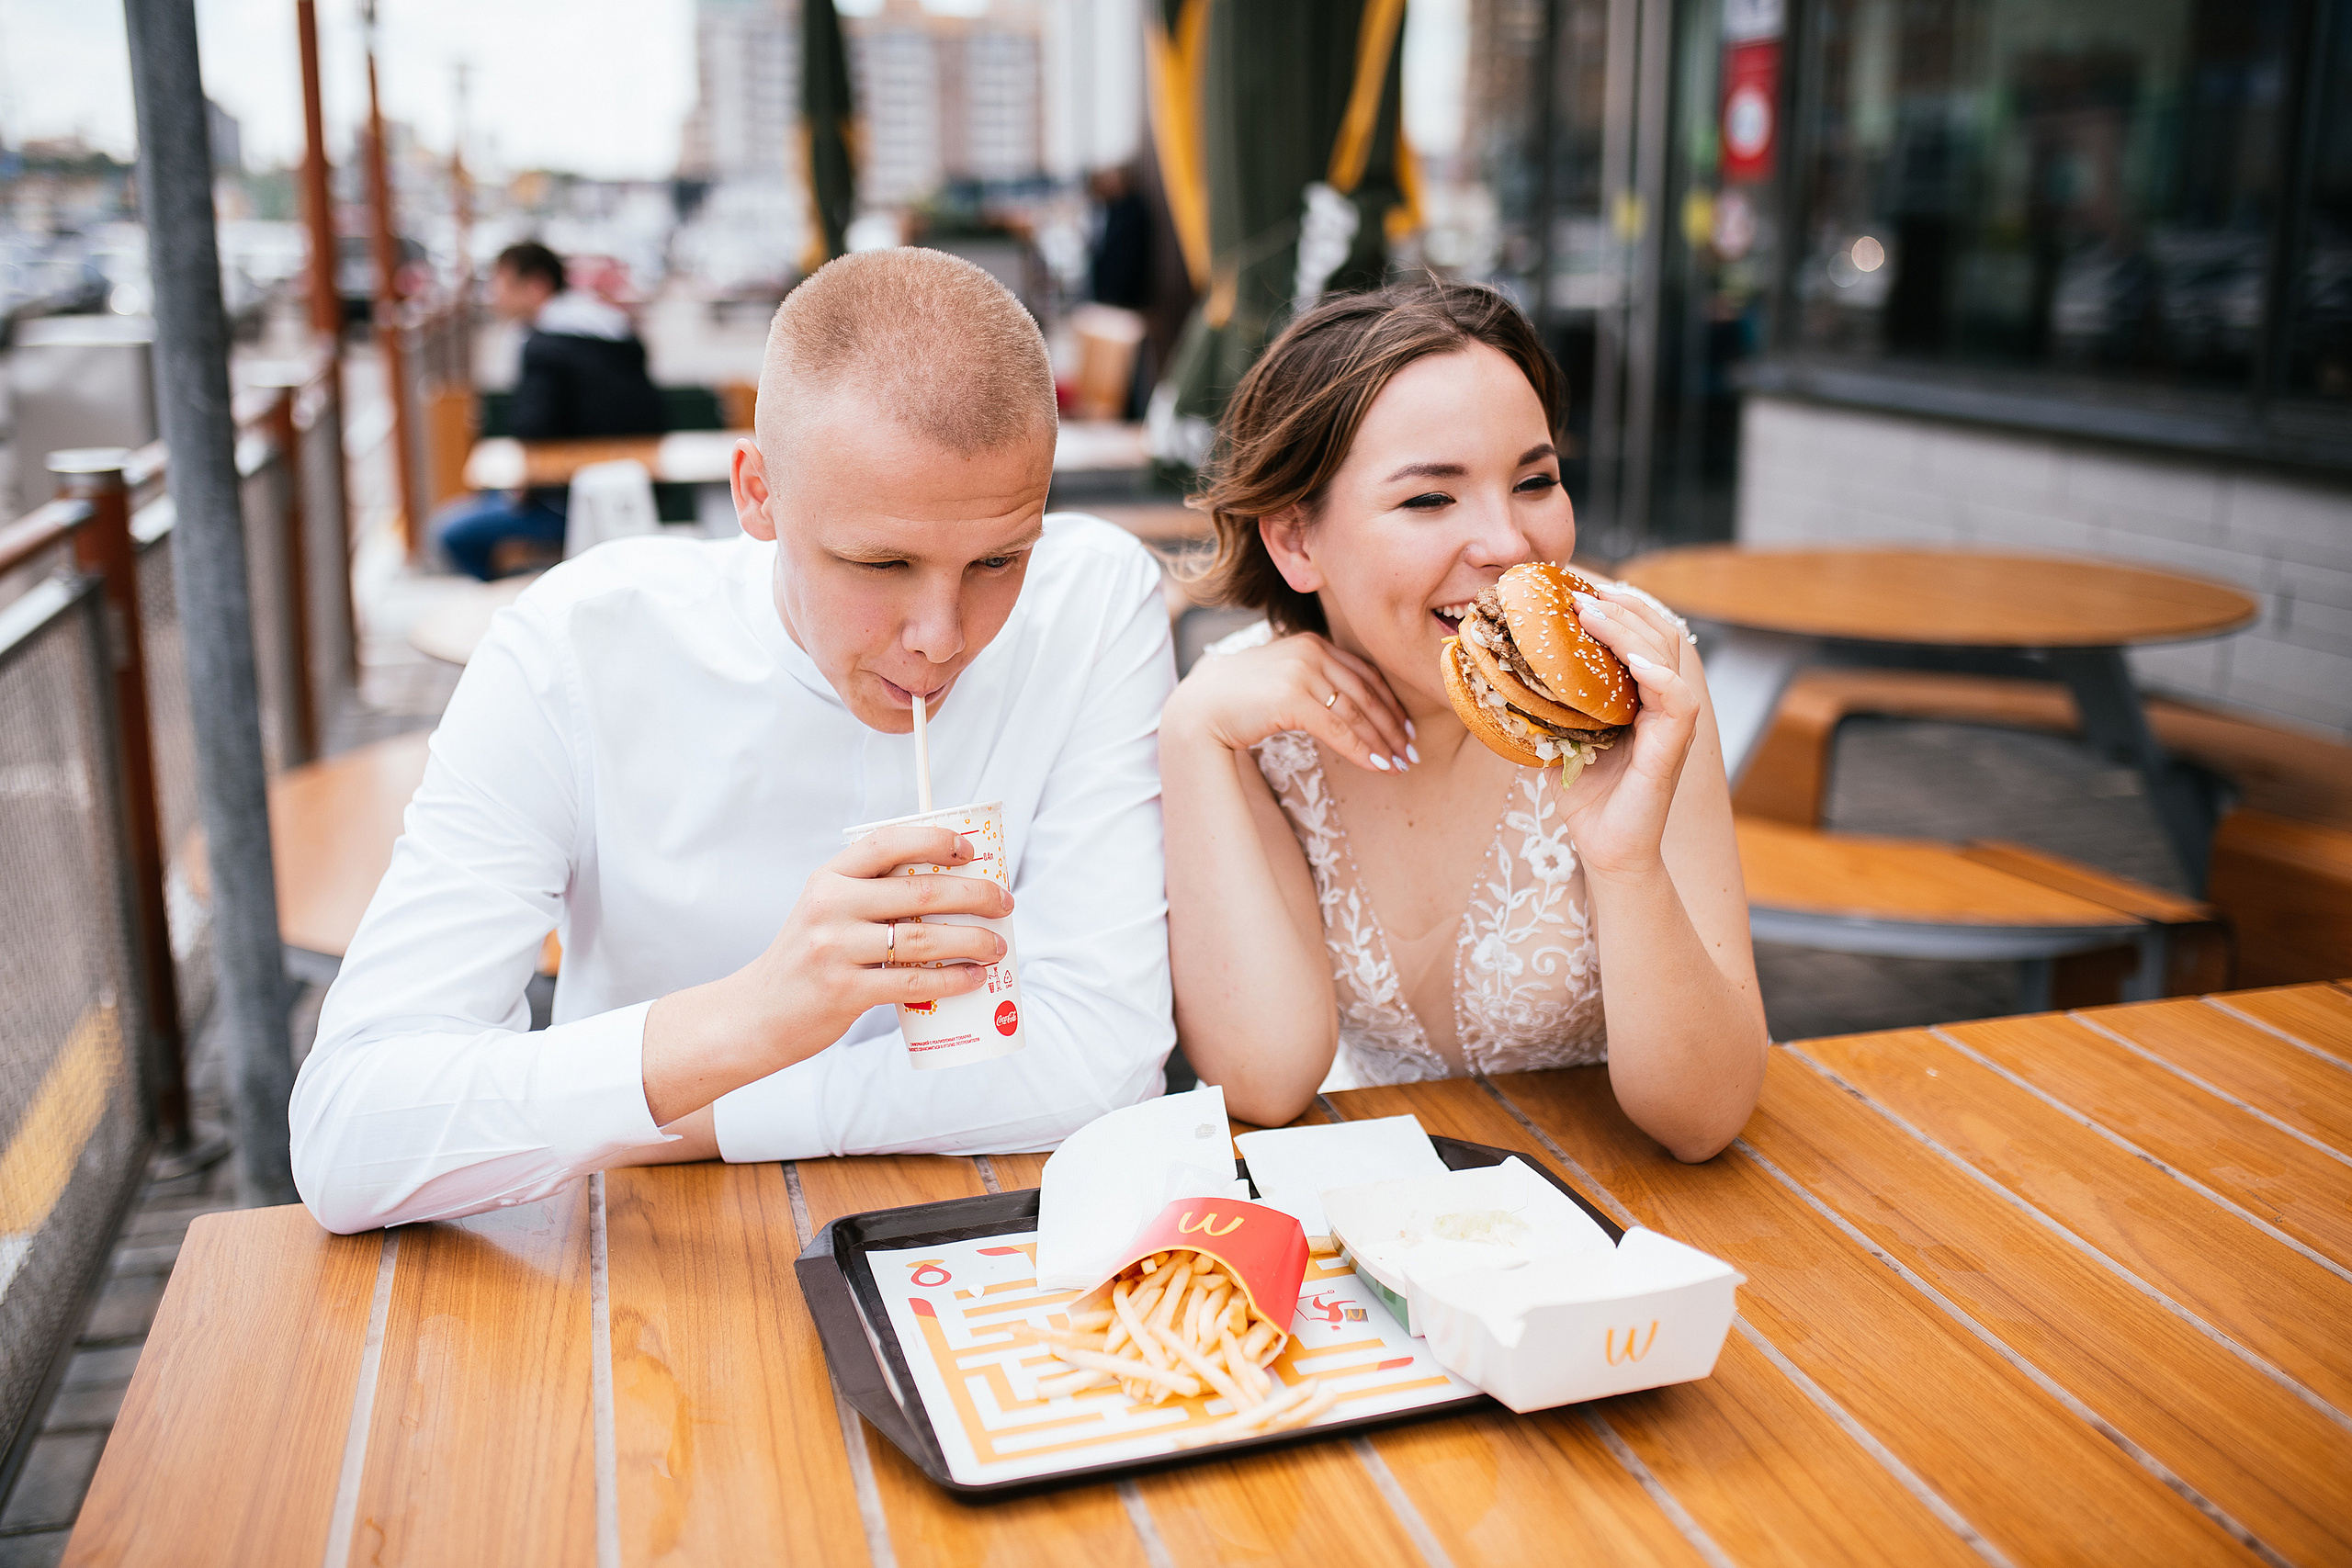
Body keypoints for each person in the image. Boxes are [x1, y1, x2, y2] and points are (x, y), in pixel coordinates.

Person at [292, 249, 1178, 1233]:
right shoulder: (580, 643)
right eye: (879, 561)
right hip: (647, 1260)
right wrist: (758, 1016)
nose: (942, 635)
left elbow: (1104, 1060)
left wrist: (693, 1110)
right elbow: (349, 1137)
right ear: (756, 493)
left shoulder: (1093, 600)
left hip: (989, 1242)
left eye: (998, 559)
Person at [1160, 277, 1766, 1158]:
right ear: (1294, 539)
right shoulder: (1243, 719)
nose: (1509, 545)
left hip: (1606, 1209)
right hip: (1371, 1223)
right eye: (1430, 499)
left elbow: (1705, 1121)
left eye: (1535, 480)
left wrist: (1624, 857)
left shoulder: (1644, 678)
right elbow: (1265, 1081)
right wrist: (1192, 731)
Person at [433, 241, 667, 580]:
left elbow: (534, 429)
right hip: (634, 492)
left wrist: (522, 487)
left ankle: (514, 602)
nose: (492, 295)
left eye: (500, 283)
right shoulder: (615, 331)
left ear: (536, 285)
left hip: (567, 503)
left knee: (450, 532)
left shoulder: (543, 346)